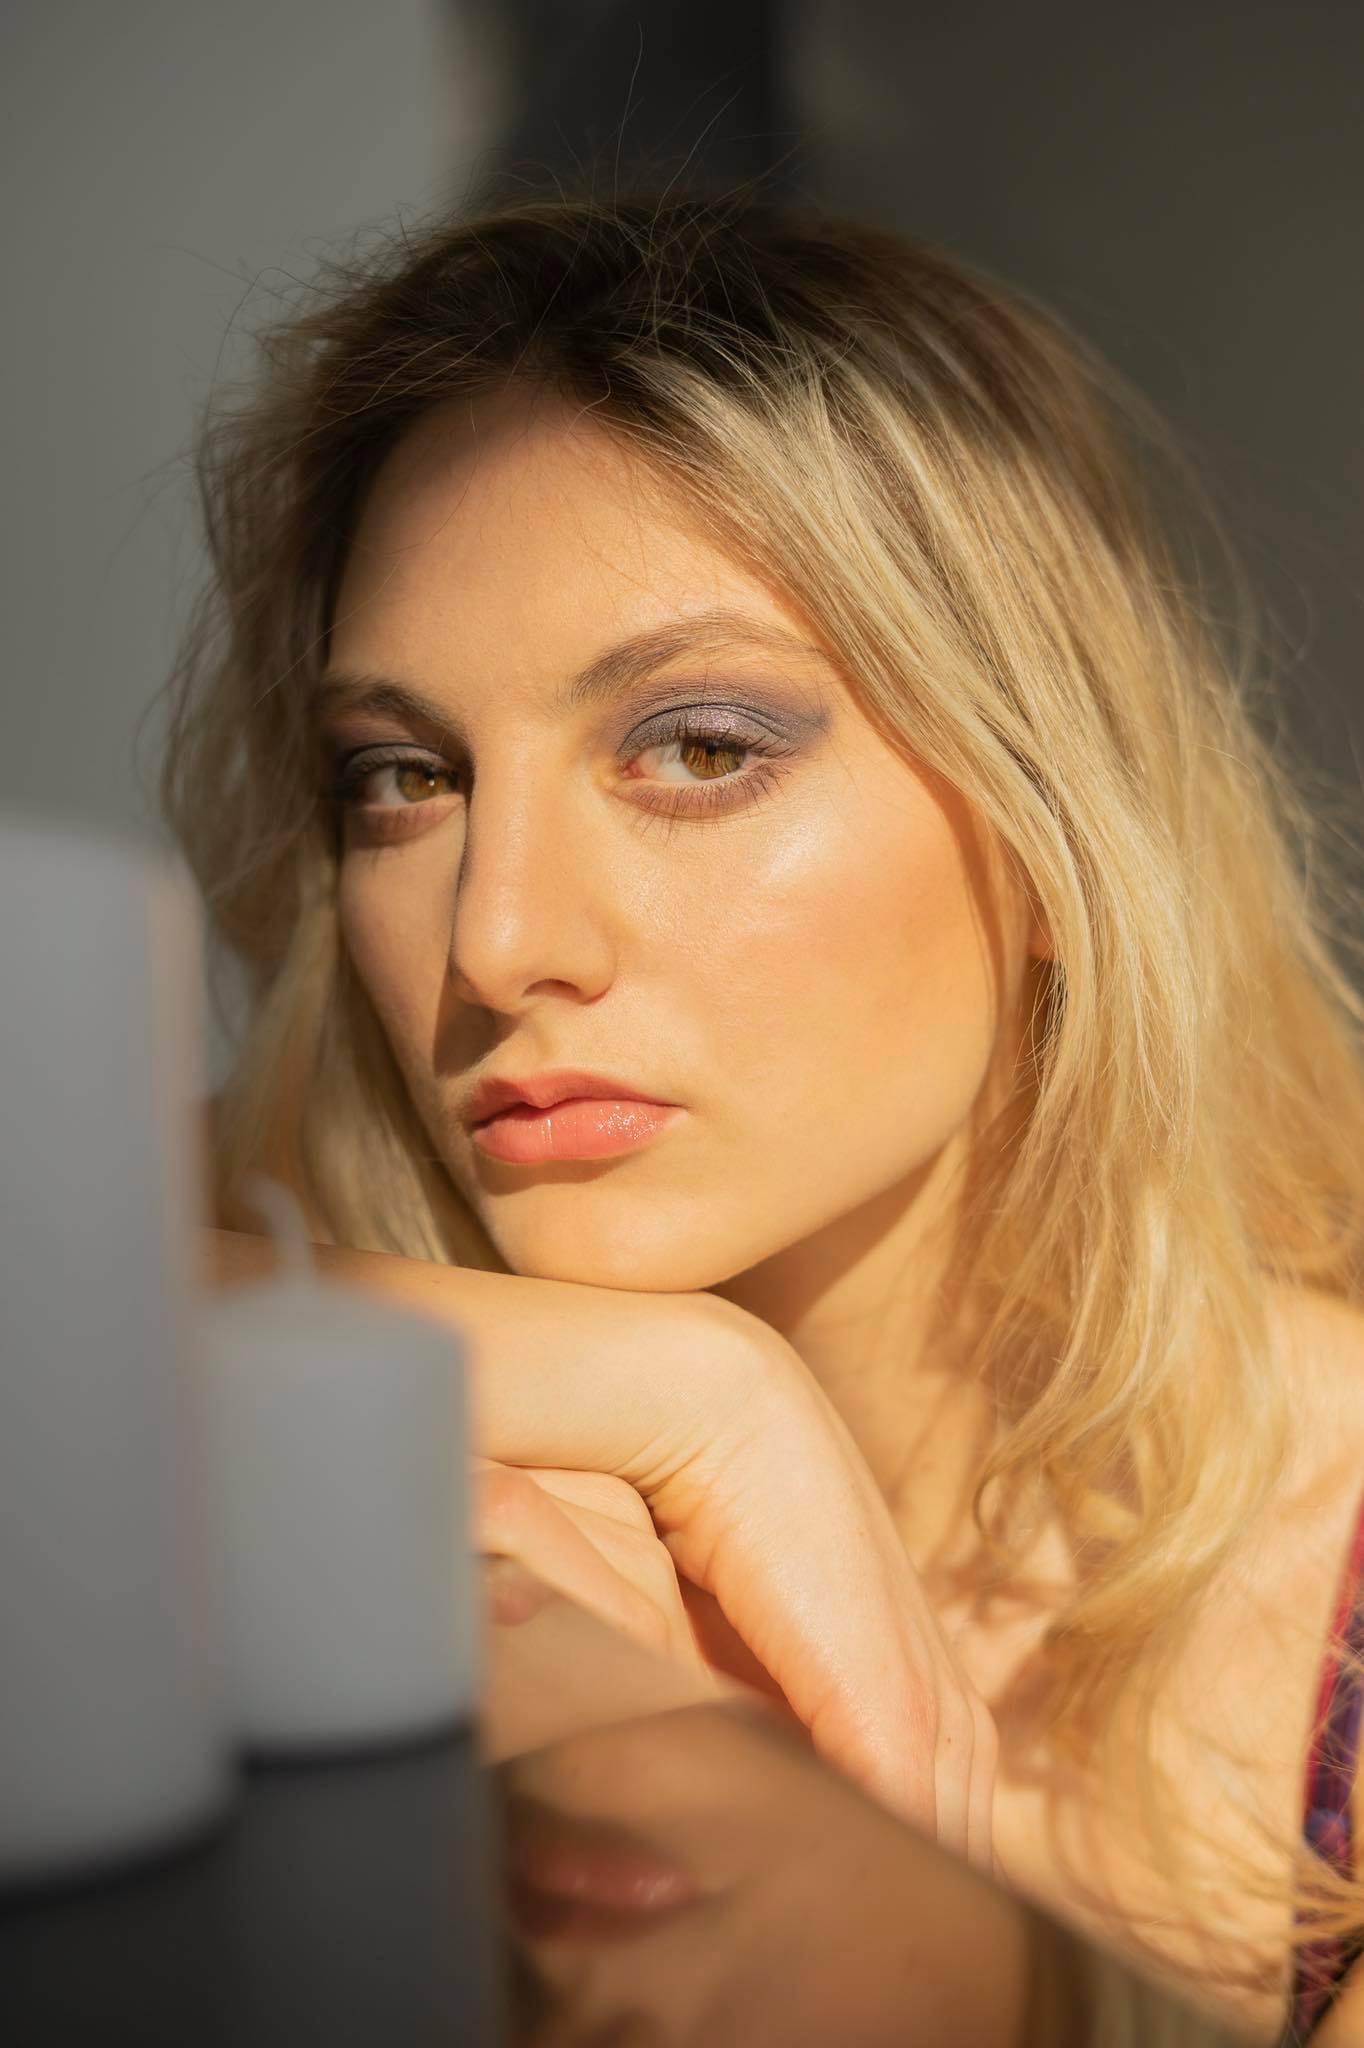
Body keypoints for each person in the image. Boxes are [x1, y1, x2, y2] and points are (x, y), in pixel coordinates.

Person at [171, 176, 1364, 2044]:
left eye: (700, 746)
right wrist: (694, 1404)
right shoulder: (343, 1416)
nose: (495, 939)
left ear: (1052, 828)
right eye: (402, 777)